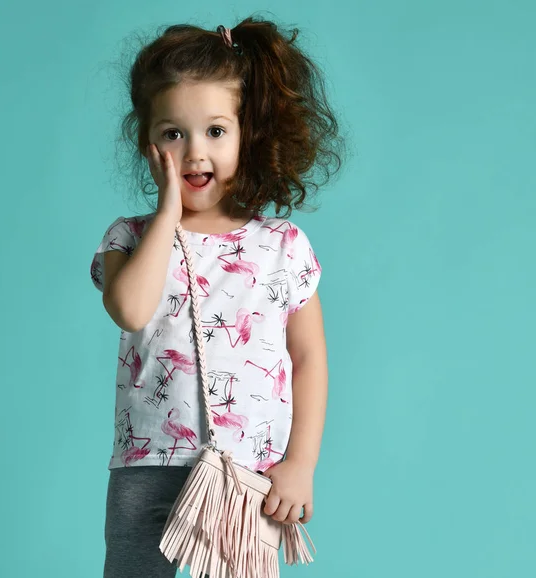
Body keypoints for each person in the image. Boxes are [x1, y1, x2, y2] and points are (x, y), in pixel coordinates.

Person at [90, 15, 346, 578]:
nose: (194, 152)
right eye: (172, 133)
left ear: (245, 133)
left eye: (215, 130)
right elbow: (130, 310)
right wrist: (167, 215)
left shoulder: (282, 246)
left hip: (247, 470)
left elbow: (309, 360)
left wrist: (300, 462)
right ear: (148, 143)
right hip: (147, 462)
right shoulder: (128, 237)